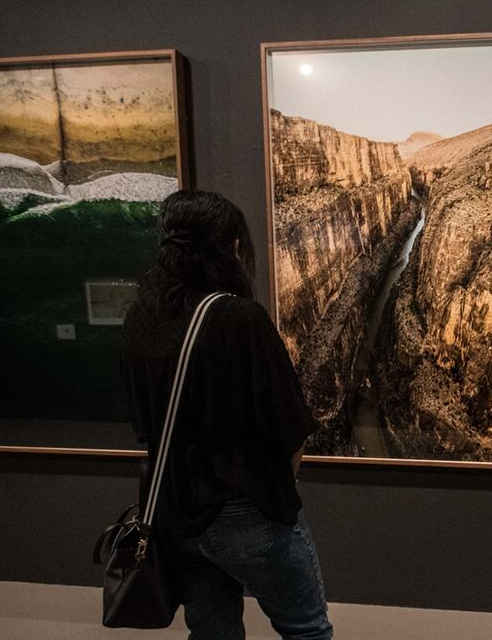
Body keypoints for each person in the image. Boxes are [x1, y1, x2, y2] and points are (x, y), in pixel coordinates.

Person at [121, 190, 333, 639]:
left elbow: (142, 421)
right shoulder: (240, 317)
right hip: (244, 511)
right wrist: (279, 490)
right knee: (306, 629)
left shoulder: (142, 317)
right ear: (234, 248)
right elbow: (291, 427)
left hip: (177, 516)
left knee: (213, 634)